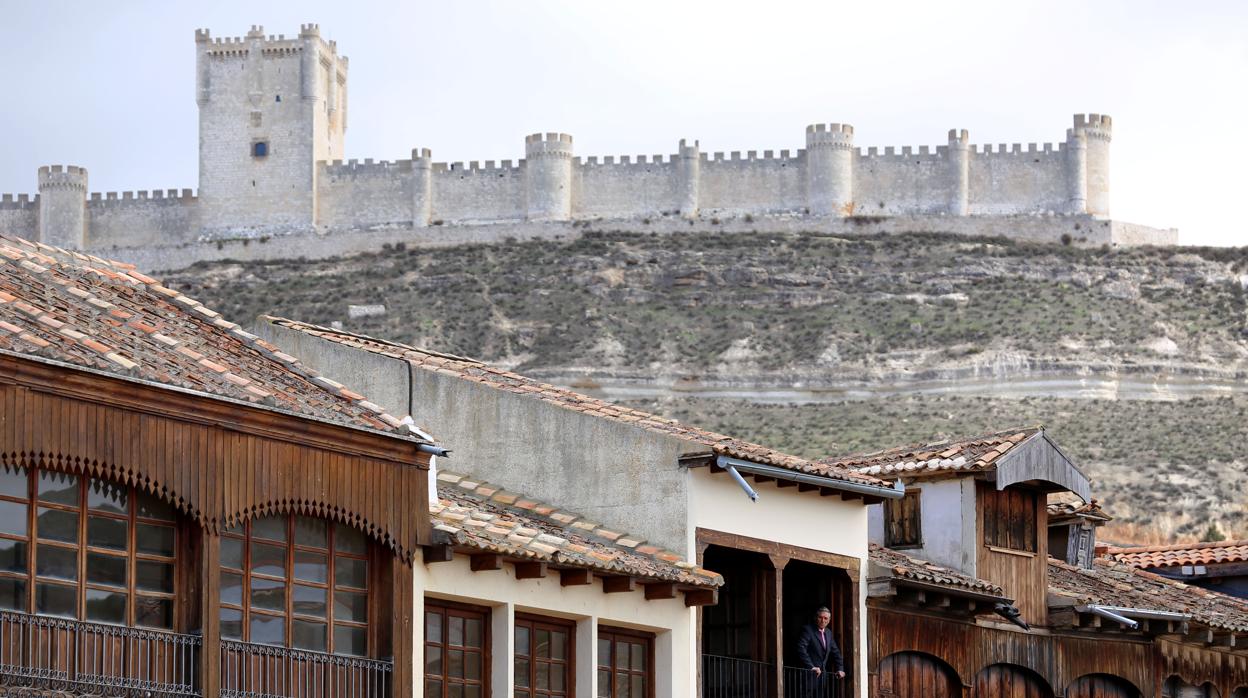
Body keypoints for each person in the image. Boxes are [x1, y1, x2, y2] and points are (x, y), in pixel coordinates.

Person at [796, 606, 845, 694]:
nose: (823, 621)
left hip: (822, 678)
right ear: (816, 618)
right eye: (820, 617)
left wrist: (840, 669)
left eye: (825, 618)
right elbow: (801, 648)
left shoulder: (829, 633)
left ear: (829, 620)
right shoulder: (808, 630)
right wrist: (811, 666)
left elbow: (836, 653)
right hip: (808, 676)